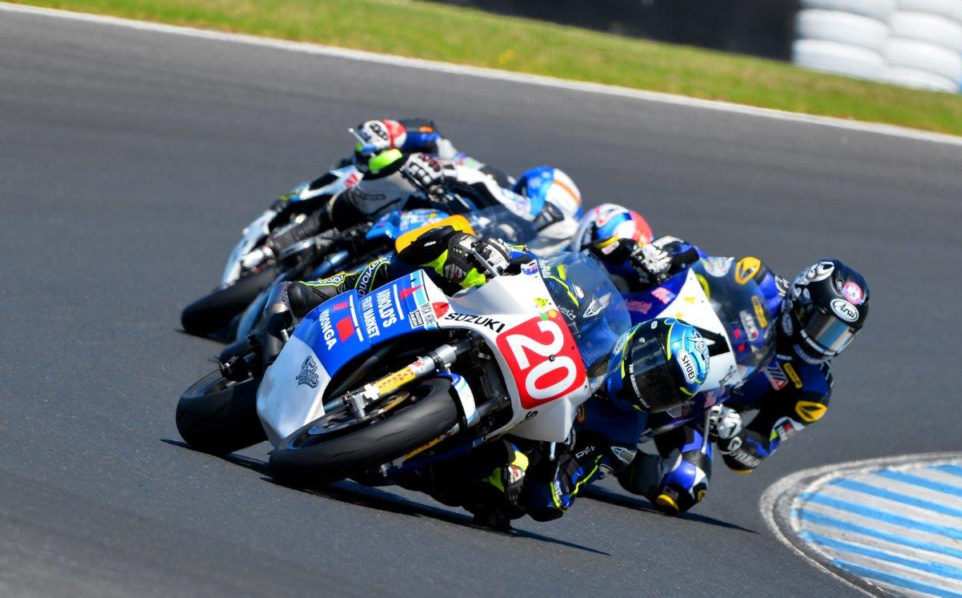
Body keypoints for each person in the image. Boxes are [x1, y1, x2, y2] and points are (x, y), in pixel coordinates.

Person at [247, 220, 710, 529]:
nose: (646, 382)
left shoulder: (621, 431)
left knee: (504, 495)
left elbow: (558, 494)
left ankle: (401, 458)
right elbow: (543, 271)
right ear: (640, 344)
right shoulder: (600, 326)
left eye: (659, 388)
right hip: (500, 334)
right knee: (444, 240)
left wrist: (556, 466)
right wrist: (501, 256)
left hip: (510, 429)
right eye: (651, 368)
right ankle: (323, 290)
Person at [568, 203, 871, 514]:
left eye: (839, 335)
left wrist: (733, 434)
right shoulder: (758, 279)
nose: (825, 340)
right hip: (667, 343)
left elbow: (755, 452)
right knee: (628, 261)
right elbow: (698, 258)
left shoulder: (813, 391)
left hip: (698, 407)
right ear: (802, 299)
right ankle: (564, 299)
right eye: (824, 326)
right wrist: (663, 255)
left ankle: (607, 456)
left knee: (686, 484)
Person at [241, 119, 582, 271]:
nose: (541, 215)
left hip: (448, 254)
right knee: (365, 175)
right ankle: (283, 235)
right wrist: (395, 131)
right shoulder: (494, 179)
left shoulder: (533, 253)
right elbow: (438, 141)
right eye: (544, 207)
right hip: (413, 202)